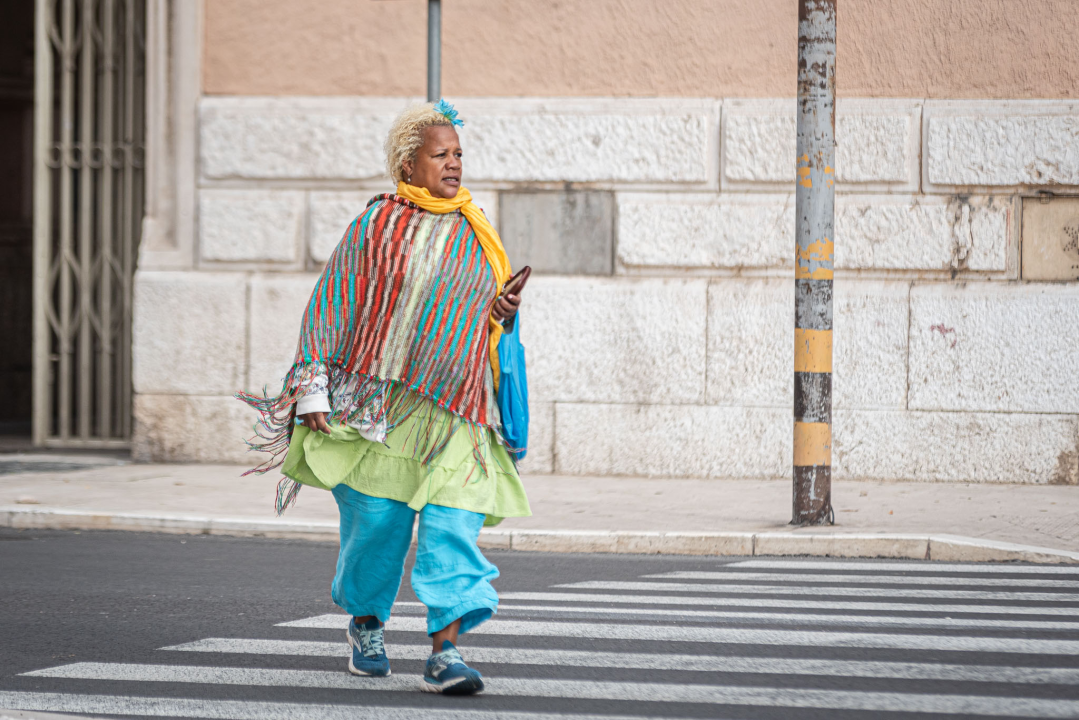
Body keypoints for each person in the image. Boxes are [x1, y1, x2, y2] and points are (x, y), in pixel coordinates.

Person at [237, 100, 531, 696]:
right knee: (376, 528)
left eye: (458, 155)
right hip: (381, 408)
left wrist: (501, 312)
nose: (454, 164)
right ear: (407, 163)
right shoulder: (375, 225)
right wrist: (312, 385)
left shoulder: (478, 228)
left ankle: (445, 654)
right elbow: (334, 300)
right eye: (440, 154)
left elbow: (482, 314)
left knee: (453, 526)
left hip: (457, 410)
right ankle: (367, 625)